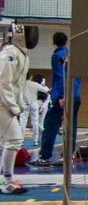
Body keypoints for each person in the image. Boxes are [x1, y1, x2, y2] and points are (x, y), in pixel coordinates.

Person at [0, 24, 37, 194]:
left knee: (12, 141)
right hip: (2, 102)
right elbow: (3, 82)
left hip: (7, 102)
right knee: (14, 140)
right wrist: (12, 106)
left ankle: (6, 180)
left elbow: (18, 85)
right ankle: (6, 182)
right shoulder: (10, 53)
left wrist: (19, 103)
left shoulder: (22, 54)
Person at [29, 32, 69, 168]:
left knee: (50, 126)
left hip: (61, 97)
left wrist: (61, 95)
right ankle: (67, 158)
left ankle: (44, 158)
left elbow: (59, 76)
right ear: (66, 42)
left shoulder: (57, 55)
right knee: (70, 128)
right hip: (72, 94)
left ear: (53, 42)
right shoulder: (70, 55)